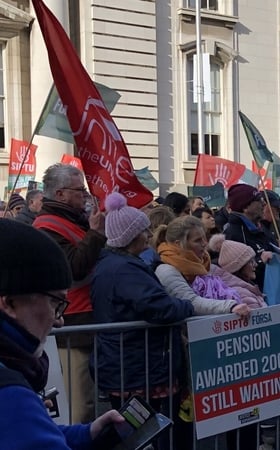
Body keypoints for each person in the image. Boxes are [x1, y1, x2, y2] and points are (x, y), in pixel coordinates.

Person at [0, 219, 126, 449]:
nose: (59, 320)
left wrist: (86, 434)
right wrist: (25, 411)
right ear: (9, 303)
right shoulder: (10, 396)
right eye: (55, 302)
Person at [90, 193, 195, 449]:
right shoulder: (124, 269)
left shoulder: (113, 264)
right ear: (130, 236)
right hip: (140, 368)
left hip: (130, 364)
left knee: (135, 433)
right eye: (143, 231)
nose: (149, 236)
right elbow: (159, 307)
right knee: (143, 434)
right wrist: (188, 305)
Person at [34, 163, 105, 423]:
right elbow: (73, 268)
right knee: (79, 404)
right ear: (60, 194)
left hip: (82, 320)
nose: (85, 196)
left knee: (84, 400)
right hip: (72, 322)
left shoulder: (71, 221)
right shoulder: (48, 226)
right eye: (80, 191)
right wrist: (96, 234)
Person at [154, 216, 250, 316]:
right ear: (179, 244)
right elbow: (192, 302)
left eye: (204, 238)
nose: (204, 244)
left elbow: (235, 284)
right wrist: (230, 306)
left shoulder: (204, 264)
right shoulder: (166, 270)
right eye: (197, 240)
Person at [224, 184, 278, 291]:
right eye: (258, 200)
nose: (264, 203)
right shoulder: (234, 234)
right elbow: (233, 272)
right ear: (245, 207)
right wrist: (260, 261)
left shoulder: (261, 228)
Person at [206, 235, 265, 308]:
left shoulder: (244, 287)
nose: (256, 264)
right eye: (250, 262)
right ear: (239, 267)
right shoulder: (242, 294)